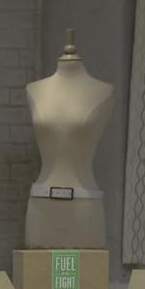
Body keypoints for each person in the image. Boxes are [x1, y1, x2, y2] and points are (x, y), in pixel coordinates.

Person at [24, 29, 114, 249]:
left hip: (85, 205)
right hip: (42, 204)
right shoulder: (34, 90)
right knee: (41, 270)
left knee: (81, 271)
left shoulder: (104, 91)